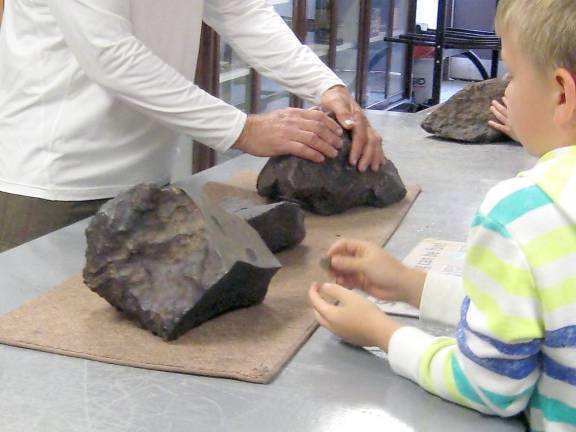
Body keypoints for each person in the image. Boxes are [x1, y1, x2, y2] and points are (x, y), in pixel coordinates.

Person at [309, 0, 576, 429]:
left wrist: (382, 334)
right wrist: (410, 285)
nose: (503, 90)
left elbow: (492, 386)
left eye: (511, 75)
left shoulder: (521, 214)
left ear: (561, 94)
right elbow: (534, 312)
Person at [0, 0, 384, 252]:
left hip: (147, 181)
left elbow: (240, 10)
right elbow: (110, 54)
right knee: (41, 360)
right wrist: (244, 130)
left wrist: (327, 87)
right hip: (55, 187)